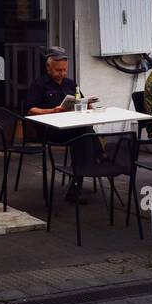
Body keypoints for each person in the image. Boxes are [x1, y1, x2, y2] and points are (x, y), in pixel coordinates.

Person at [23, 47, 96, 203]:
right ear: (48, 67)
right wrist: (52, 111)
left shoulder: (70, 83)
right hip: (50, 130)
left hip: (71, 127)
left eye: (64, 70)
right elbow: (30, 110)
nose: (62, 73)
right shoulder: (39, 84)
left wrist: (87, 105)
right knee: (85, 135)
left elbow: (80, 101)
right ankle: (99, 159)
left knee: (84, 132)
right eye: (58, 70)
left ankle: (77, 183)